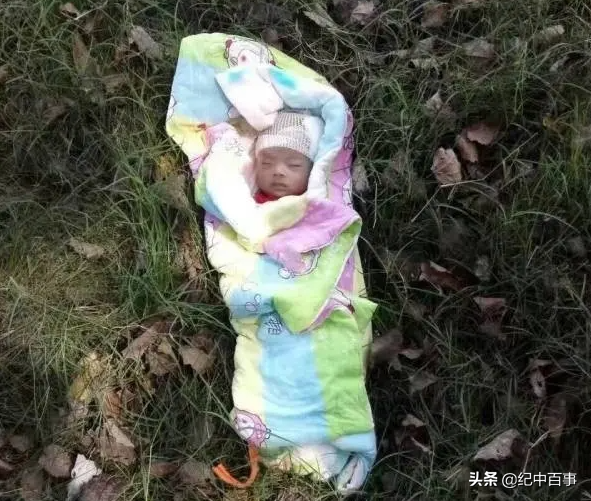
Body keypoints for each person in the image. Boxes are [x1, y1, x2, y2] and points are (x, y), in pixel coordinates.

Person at [252, 111, 324, 203]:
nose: (278, 171)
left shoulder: (318, 205)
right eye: (267, 163)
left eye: (294, 165)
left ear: (313, 169)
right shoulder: (245, 202)